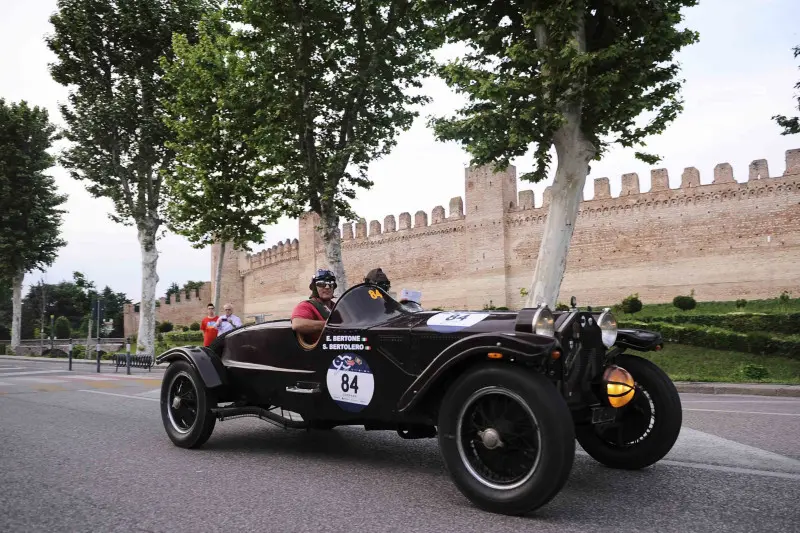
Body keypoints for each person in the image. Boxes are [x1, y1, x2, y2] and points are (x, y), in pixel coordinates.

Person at [291, 269, 337, 344]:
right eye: (321, 284)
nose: (327, 287)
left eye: (331, 283)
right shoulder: (306, 305)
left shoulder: (337, 306)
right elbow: (297, 324)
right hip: (320, 351)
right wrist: (329, 325)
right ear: (314, 288)